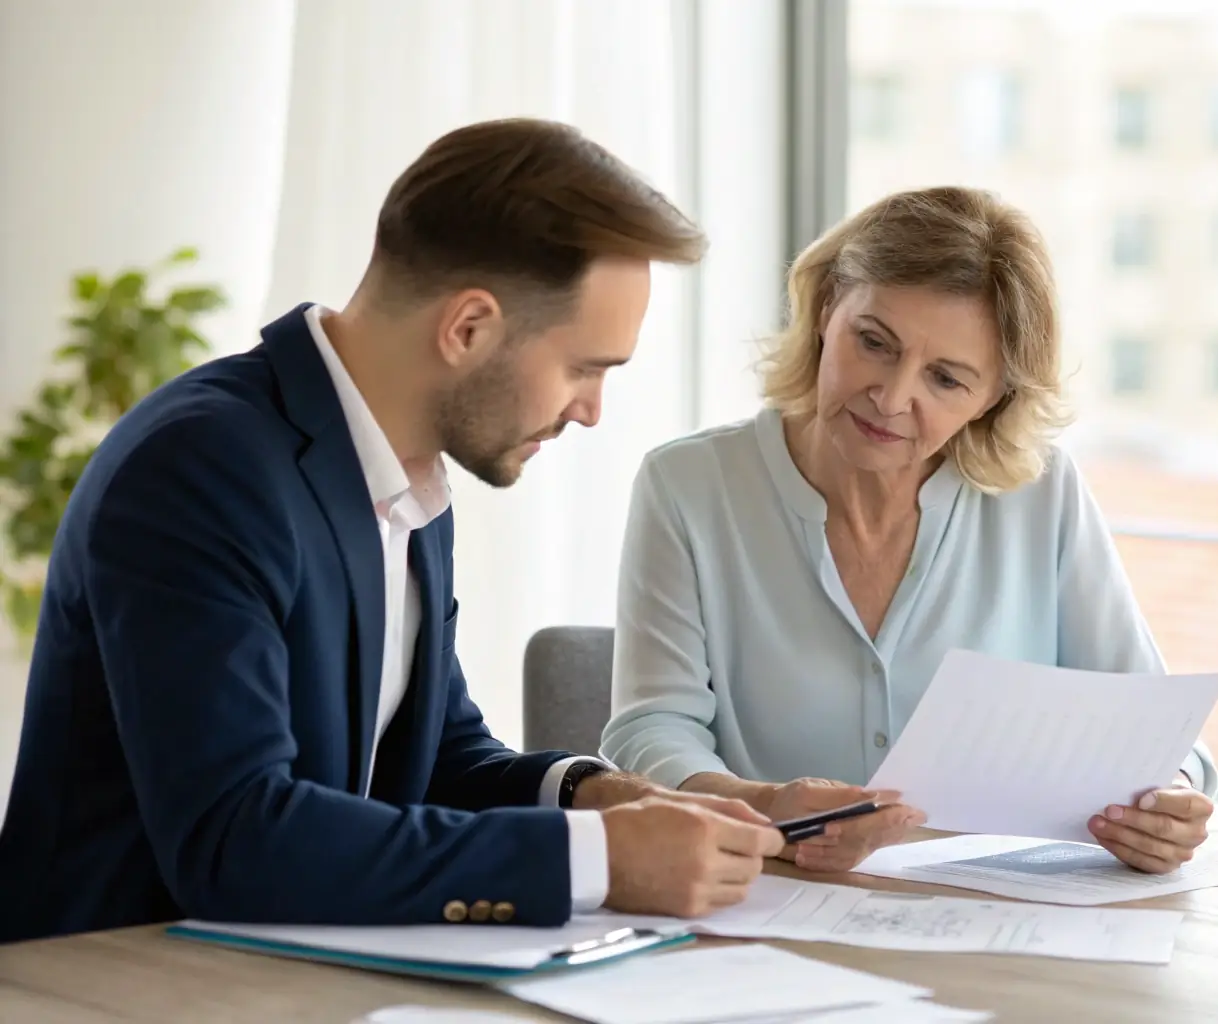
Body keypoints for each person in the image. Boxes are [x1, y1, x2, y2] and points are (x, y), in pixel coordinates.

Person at [0, 118, 784, 945]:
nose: (590, 410)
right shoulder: (200, 470)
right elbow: (233, 837)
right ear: (468, 328)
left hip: (301, 966)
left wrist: (596, 798)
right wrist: (593, 861)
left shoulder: (404, 474)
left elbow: (435, 759)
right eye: (585, 367)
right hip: (118, 978)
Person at [602, 186, 1218, 877]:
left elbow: (1149, 724)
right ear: (827, 306)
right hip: (766, 893)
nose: (892, 398)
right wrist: (760, 803)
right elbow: (651, 727)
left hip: (993, 913)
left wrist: (1171, 803)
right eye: (873, 343)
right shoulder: (688, 484)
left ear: (993, 398)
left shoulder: (1040, 494)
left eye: (946, 379)